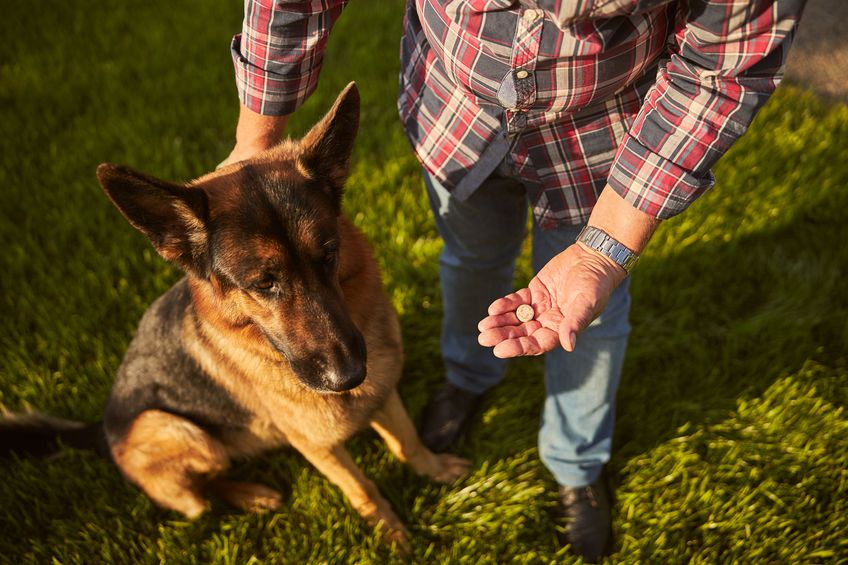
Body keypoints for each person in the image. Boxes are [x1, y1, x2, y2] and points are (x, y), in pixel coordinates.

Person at [221, 1, 804, 560]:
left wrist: (602, 253)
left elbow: (722, 65)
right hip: (456, 115)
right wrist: (256, 142)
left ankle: (576, 461)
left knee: (589, 317)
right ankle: (470, 375)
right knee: (471, 262)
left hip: (606, 137)